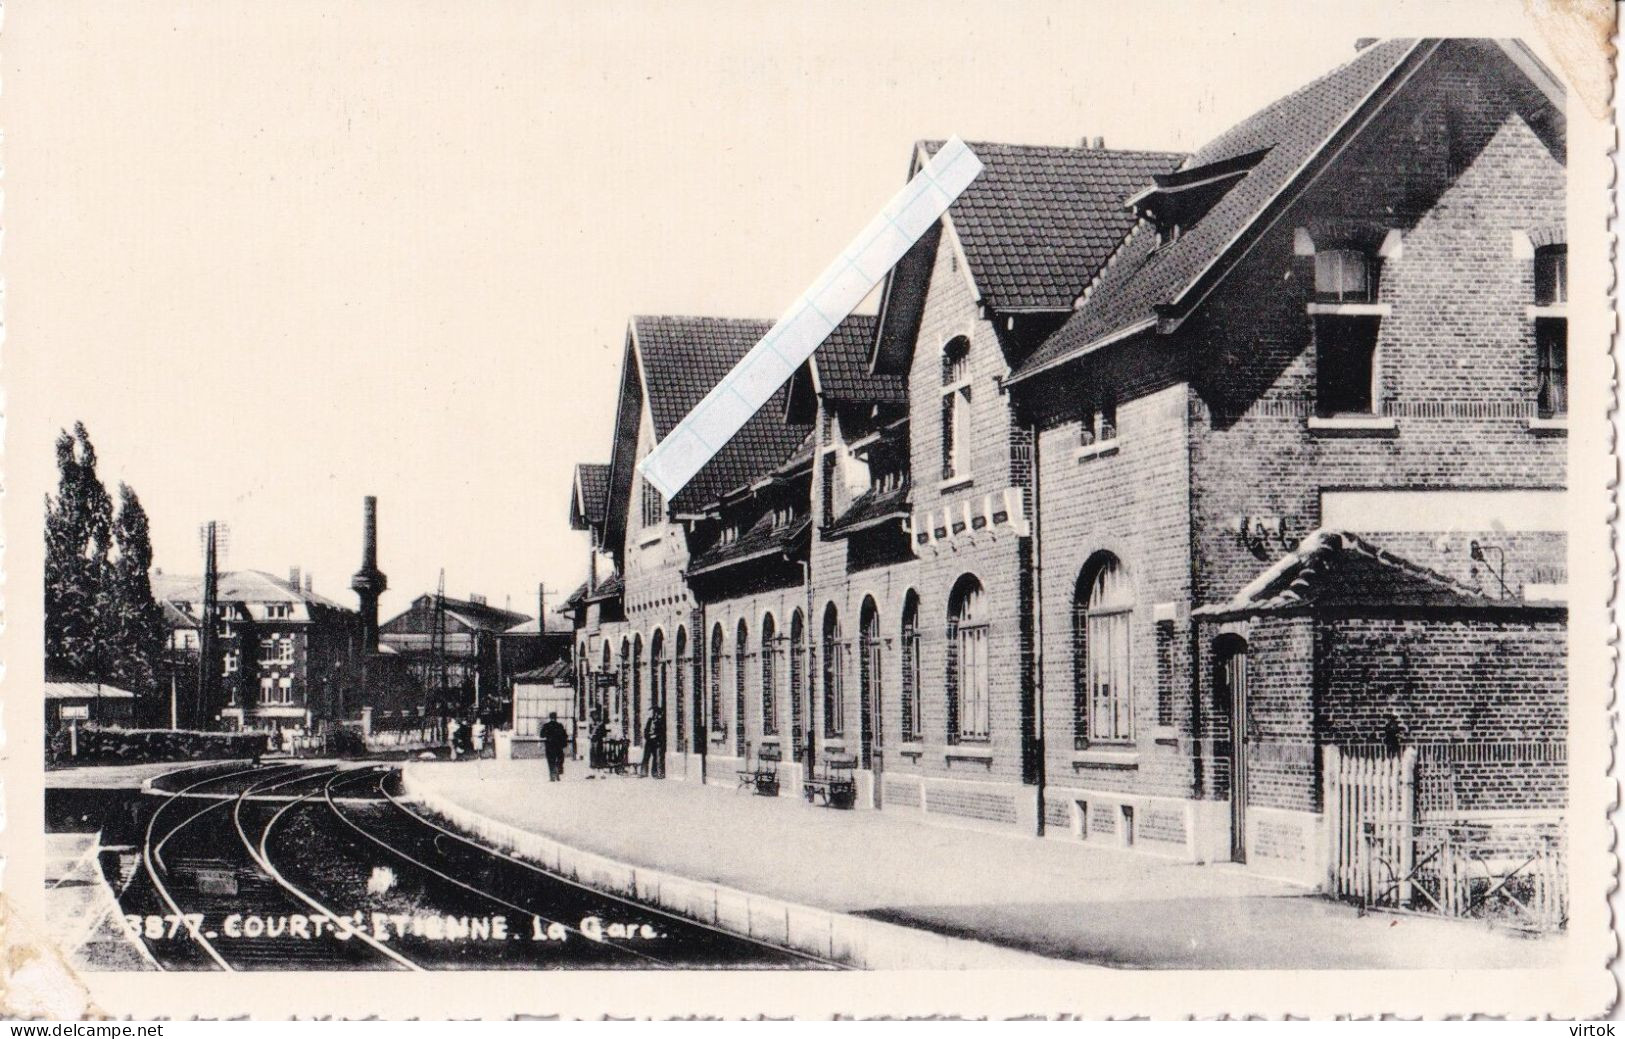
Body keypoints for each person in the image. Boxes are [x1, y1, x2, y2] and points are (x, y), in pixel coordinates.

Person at [540, 711, 570, 782]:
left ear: (550, 717)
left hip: (549, 746)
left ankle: (552, 776)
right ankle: (558, 772)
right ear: (556, 717)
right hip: (558, 746)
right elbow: (565, 736)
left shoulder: (546, 725)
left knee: (550, 761)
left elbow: (542, 735)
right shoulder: (560, 725)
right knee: (559, 759)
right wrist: (564, 745)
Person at [642, 708, 666, 779]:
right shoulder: (649, 721)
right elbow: (646, 730)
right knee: (646, 757)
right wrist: (648, 737)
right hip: (649, 742)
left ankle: (654, 773)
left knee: (655, 758)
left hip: (655, 742)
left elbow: (661, 732)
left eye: (655, 713)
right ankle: (643, 772)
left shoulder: (659, 722)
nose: (654, 715)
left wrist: (656, 736)